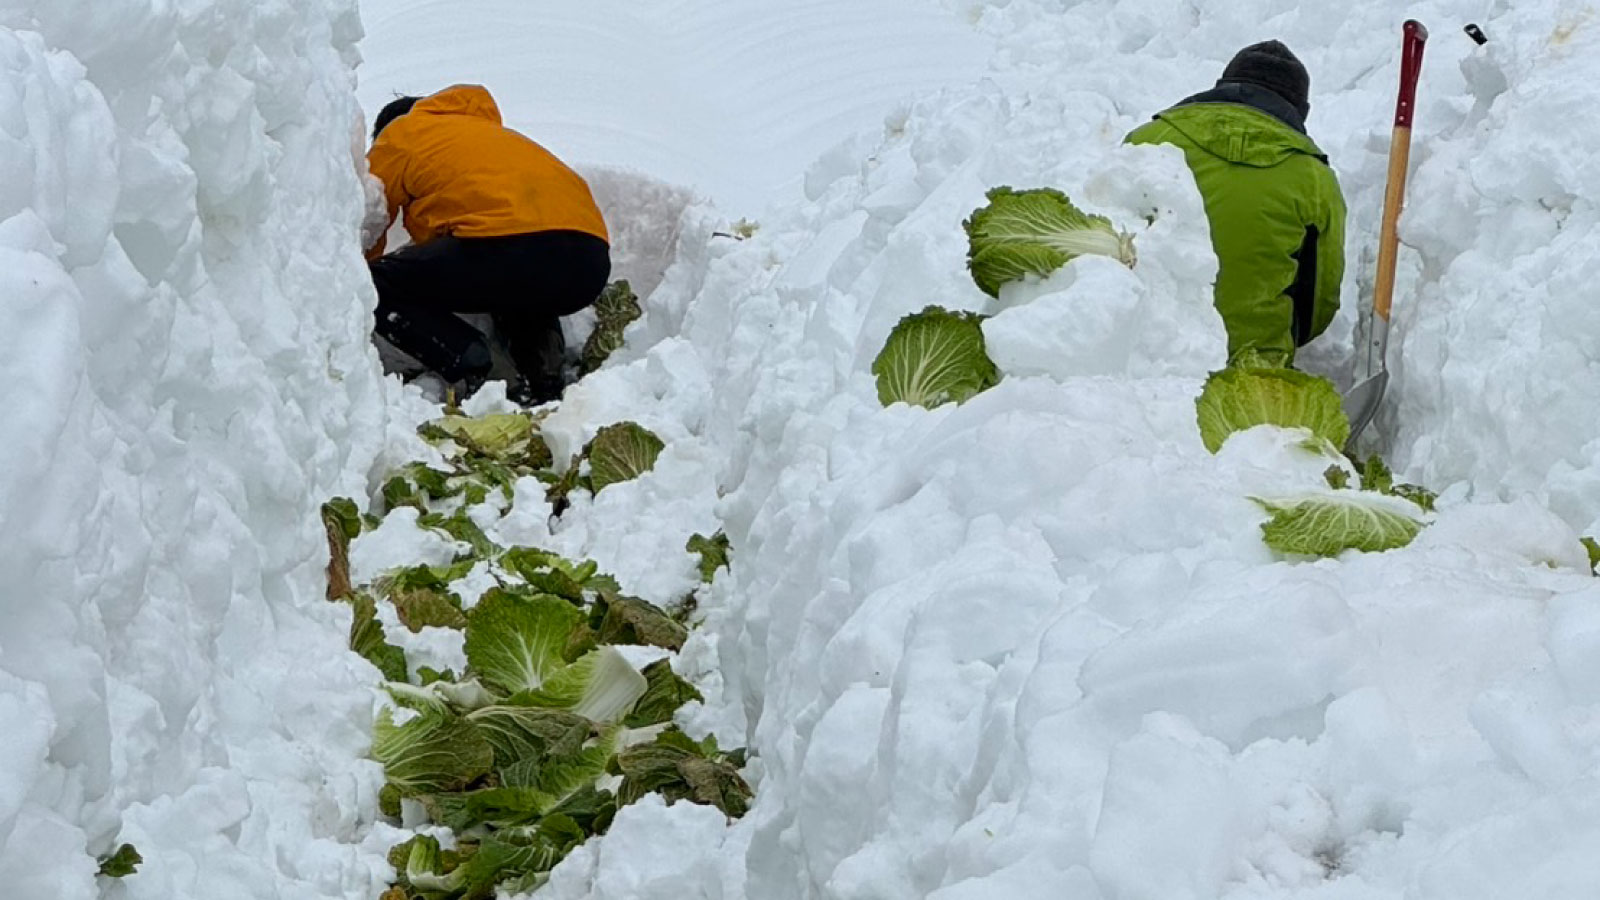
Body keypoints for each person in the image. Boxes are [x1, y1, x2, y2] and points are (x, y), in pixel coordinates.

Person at [365, 84, 611, 403]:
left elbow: (366, 220)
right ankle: (545, 381)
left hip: (506, 247)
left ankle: (478, 366)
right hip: (588, 261)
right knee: (513, 283)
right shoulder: (489, 137)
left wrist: (357, 279)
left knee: (372, 282)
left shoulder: (401, 133)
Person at [1127, 41, 1346, 366]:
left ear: (1223, 87)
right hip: (1253, 374)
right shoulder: (1313, 178)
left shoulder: (1146, 141)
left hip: (1142, 362)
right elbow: (1318, 303)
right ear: (1300, 111)